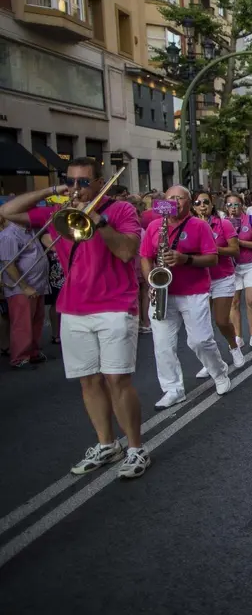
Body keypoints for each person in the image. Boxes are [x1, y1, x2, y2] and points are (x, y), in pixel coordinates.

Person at [1, 159, 150, 476]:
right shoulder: (60, 212)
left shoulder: (121, 210)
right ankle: (107, 444)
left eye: (83, 182)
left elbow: (126, 252)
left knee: (117, 380)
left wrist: (98, 220)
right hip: (73, 307)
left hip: (114, 305)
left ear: (99, 182)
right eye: (71, 181)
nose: (77, 187)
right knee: (89, 381)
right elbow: (8, 212)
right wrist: (54, 190)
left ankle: (136, 448)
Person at [141, 186, 232, 409]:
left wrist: (185, 259)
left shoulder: (199, 225)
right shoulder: (154, 226)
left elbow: (211, 258)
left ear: (188, 202)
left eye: (179, 198)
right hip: (164, 292)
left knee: (200, 341)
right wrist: (151, 282)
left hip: (194, 291)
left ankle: (219, 371)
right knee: (163, 345)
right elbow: (145, 257)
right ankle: (173, 389)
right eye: (170, 198)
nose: (174, 202)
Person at [191, 190, 244, 371]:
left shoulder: (223, 224)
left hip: (222, 277)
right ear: (193, 207)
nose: (202, 206)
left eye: (205, 202)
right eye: (197, 203)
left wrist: (212, 249)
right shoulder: (190, 227)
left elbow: (235, 250)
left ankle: (234, 346)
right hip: (199, 279)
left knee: (221, 321)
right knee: (203, 325)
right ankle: (211, 360)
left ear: (212, 204)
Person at [0, 215, 48, 368]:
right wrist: (25, 287)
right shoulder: (8, 235)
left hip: (37, 285)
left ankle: (32, 352)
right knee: (22, 324)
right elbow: (9, 264)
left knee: (36, 321)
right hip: (22, 288)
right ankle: (20, 357)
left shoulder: (30, 230)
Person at [226, 193, 252, 349]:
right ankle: (238, 336)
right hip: (233, 266)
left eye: (236, 205)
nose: (233, 208)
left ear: (241, 205)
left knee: (251, 300)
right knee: (234, 302)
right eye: (230, 205)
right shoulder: (224, 223)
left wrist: (239, 242)